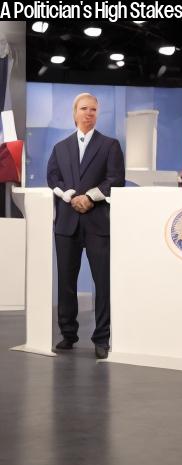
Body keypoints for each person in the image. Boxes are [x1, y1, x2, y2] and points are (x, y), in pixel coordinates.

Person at [46, 92, 125, 359]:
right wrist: (69, 195)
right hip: (66, 224)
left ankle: (101, 338)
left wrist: (90, 197)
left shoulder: (110, 145)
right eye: (83, 108)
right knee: (65, 282)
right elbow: (52, 177)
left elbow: (116, 179)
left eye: (93, 109)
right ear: (74, 113)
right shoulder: (60, 147)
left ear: (97, 113)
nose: (88, 113)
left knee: (102, 282)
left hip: (97, 223)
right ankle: (68, 334)